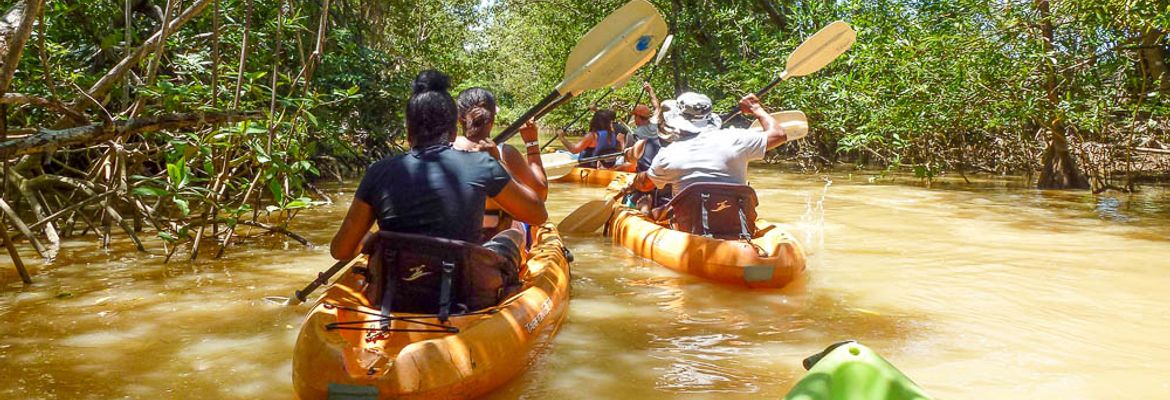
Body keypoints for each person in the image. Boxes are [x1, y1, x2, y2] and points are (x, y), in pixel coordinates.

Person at [330, 70, 547, 313]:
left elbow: (340, 250)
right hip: (464, 295)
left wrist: (372, 239)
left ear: (408, 131)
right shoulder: (483, 166)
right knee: (513, 234)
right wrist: (498, 165)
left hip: (394, 294)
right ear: (454, 130)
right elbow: (538, 215)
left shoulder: (377, 172)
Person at [625, 91, 788, 234]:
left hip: (690, 229)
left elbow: (645, 185)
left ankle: (647, 210)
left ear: (677, 121)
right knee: (663, 210)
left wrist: (636, 181)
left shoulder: (668, 154)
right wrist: (755, 108)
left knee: (655, 209)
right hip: (737, 226)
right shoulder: (737, 138)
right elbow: (779, 134)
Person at [453, 87, 547, 241]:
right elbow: (541, 196)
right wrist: (532, 143)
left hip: (457, 241)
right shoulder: (506, 153)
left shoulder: (444, 150)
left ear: (458, 118)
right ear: (493, 119)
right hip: (497, 242)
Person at [556, 109, 624, 168]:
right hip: (600, 166)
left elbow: (574, 150)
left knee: (559, 153)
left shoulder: (592, 136)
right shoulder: (612, 134)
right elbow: (619, 150)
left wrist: (562, 138)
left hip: (586, 167)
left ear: (594, 121)